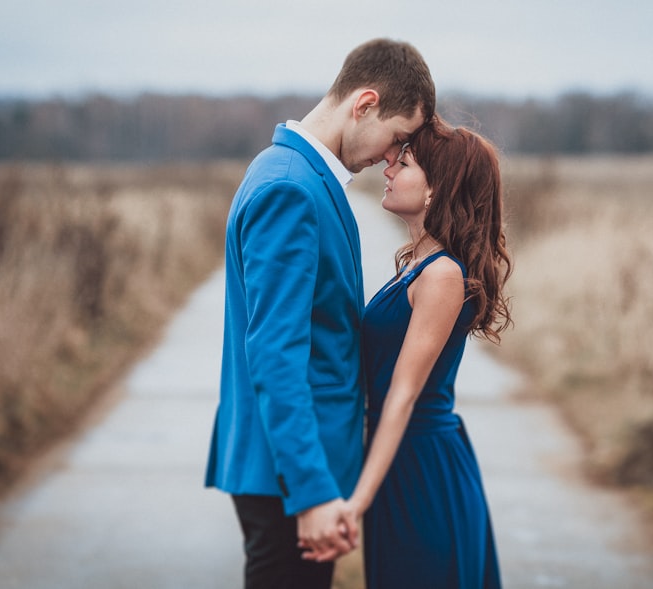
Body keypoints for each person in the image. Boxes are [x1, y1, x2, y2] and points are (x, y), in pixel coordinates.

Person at [204, 38, 435, 589]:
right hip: (289, 477)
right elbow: (276, 355)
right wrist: (309, 491)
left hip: (298, 467)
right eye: (396, 137)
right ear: (364, 104)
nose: (390, 156)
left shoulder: (302, 177)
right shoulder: (290, 188)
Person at [303, 116, 512, 588]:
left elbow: (401, 396)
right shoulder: (417, 263)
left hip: (423, 468)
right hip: (401, 457)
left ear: (437, 188)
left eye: (405, 163)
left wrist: (355, 503)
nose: (388, 169)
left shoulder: (442, 276)